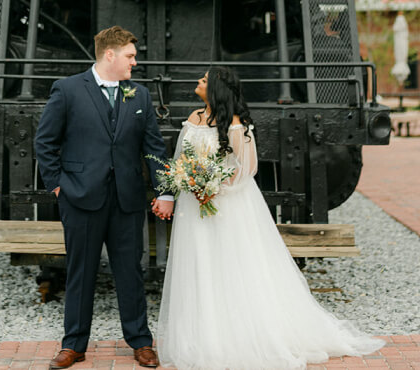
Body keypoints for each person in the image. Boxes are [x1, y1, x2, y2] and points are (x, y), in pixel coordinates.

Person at [151, 66, 385, 370]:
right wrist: (188, 182)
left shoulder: (237, 125)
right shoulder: (194, 118)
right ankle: (202, 333)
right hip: (193, 207)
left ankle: (235, 334)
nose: (198, 82)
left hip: (227, 204)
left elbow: (246, 169)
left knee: (231, 267)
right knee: (199, 265)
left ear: (217, 89)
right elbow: (181, 159)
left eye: (205, 80)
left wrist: (212, 186)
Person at [35, 26, 169, 369]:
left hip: (127, 200)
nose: (134, 63)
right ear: (109, 55)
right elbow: (44, 142)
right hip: (80, 198)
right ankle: (74, 344)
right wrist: (58, 185)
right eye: (130, 56)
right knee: (81, 272)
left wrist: (164, 192)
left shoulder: (138, 95)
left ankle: (141, 342)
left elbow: (153, 147)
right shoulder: (67, 90)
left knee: (131, 272)